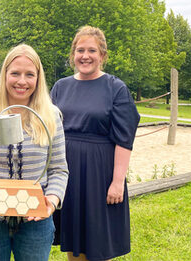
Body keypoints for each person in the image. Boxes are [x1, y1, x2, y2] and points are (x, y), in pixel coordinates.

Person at [0, 44, 69, 261]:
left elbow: (59, 169)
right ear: (4, 75)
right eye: (15, 73)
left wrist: (51, 201)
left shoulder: (51, 116)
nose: (22, 81)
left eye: (30, 74)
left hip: (35, 220)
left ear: (38, 78)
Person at [50, 26, 140, 260]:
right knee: (72, 237)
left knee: (96, 240)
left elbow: (124, 138)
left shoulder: (115, 88)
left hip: (99, 174)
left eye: (92, 50)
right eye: (80, 50)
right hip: (66, 171)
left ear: (102, 55)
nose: (85, 55)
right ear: (73, 54)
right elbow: (48, 128)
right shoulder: (61, 86)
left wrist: (117, 182)